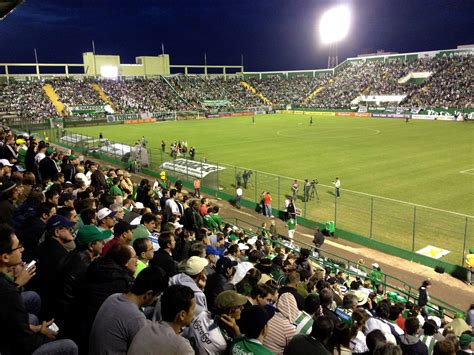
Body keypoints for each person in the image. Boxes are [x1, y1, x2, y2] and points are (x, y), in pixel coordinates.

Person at [0, 223, 79, 355]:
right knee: (69, 346)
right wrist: (43, 336)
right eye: (18, 247)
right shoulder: (8, 292)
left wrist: (37, 328)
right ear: (5, 257)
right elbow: (24, 343)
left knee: (32, 309)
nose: (22, 249)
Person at [88, 267, 168, 355]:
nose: (156, 299)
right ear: (148, 294)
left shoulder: (113, 297)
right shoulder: (136, 318)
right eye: (157, 296)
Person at [127, 285, 195, 355]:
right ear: (182, 315)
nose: (194, 313)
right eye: (193, 309)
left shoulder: (145, 327)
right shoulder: (182, 347)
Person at [189, 290, 248, 354]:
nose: (243, 308)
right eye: (240, 306)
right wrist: (237, 331)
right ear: (231, 311)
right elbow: (243, 351)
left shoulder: (201, 315)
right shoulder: (222, 343)